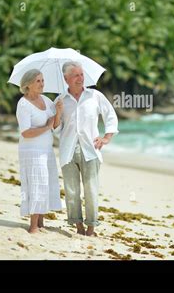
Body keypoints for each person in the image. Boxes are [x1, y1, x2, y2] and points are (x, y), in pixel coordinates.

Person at [53, 61, 119, 236]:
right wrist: (58, 113)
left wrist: (106, 137)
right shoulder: (59, 100)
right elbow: (56, 129)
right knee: (71, 191)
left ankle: (91, 228)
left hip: (91, 151)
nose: (80, 78)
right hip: (68, 151)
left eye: (81, 74)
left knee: (91, 191)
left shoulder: (94, 96)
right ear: (66, 78)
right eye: (75, 75)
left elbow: (110, 116)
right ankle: (78, 226)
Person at [16, 69, 63, 234]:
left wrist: (58, 112)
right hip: (31, 151)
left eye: (43, 80)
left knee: (46, 184)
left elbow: (55, 125)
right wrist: (47, 126)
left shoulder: (46, 99)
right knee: (36, 185)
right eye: (38, 81)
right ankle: (33, 226)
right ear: (28, 85)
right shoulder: (23, 104)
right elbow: (26, 132)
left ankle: (41, 222)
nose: (42, 84)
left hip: (46, 150)